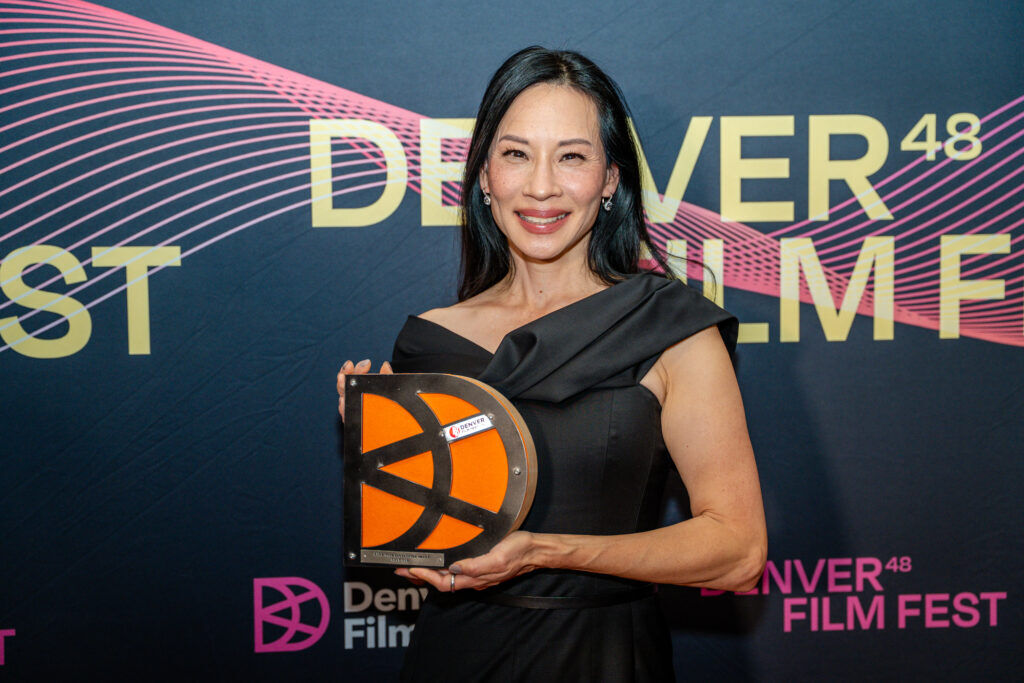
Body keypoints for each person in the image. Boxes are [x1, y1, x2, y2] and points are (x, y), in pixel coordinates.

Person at [337, 46, 766, 682]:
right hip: (456, 656)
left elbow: (738, 552)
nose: (541, 186)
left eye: (571, 157)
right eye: (516, 154)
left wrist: (545, 552)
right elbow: (426, 543)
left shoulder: (669, 329)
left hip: (605, 657)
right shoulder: (430, 342)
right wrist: (384, 448)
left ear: (611, 179)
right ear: (485, 175)